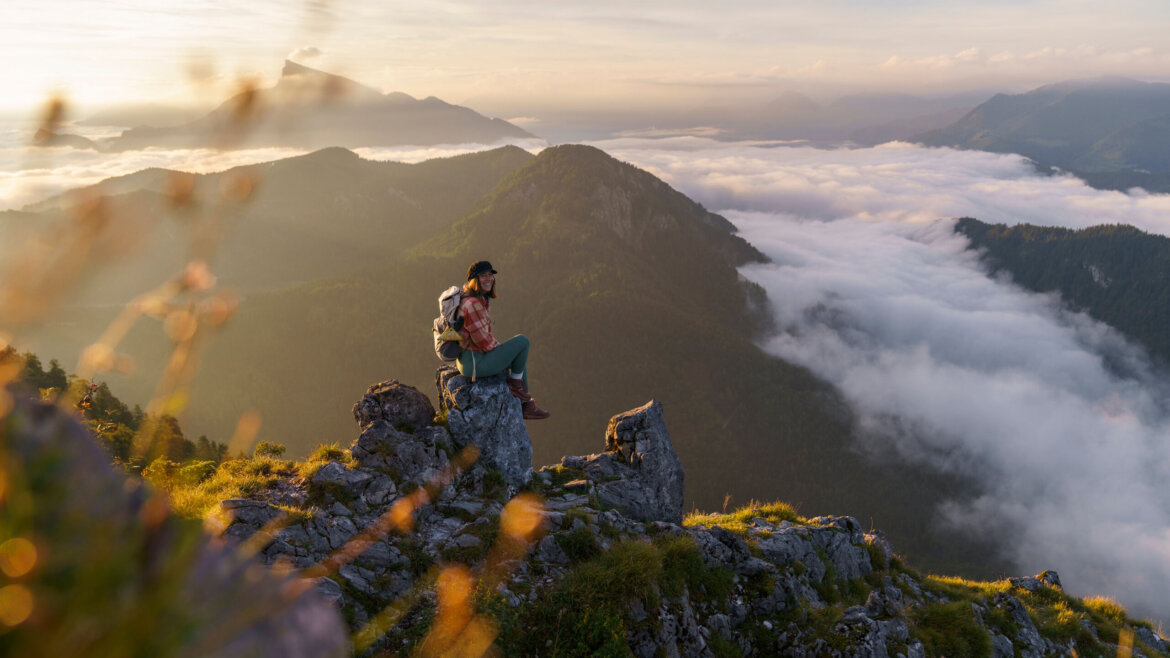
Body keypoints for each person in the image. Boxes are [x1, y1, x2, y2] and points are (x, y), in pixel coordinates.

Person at [457, 260, 550, 420]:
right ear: (474, 280)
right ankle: (519, 391)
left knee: (518, 358)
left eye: (490, 275)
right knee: (522, 341)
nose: (489, 278)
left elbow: (482, 338)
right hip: (474, 363)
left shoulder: (476, 300)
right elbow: (483, 342)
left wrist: (505, 352)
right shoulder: (473, 304)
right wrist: (502, 350)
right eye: (483, 275)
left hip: (470, 358)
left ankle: (526, 404)